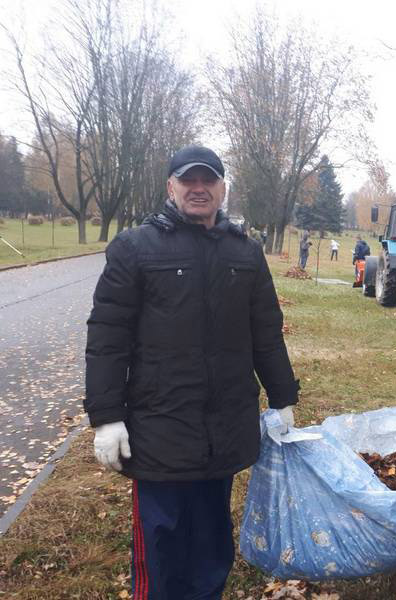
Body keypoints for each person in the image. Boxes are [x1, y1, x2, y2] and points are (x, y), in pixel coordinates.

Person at [85, 145, 300, 599]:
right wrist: (106, 416)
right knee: (162, 545)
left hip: (224, 428)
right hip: (158, 428)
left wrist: (284, 398)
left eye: (208, 181)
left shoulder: (245, 252)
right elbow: (107, 336)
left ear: (222, 189)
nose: (198, 189)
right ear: (171, 187)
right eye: (188, 181)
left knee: (210, 543)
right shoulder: (135, 248)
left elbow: (266, 332)